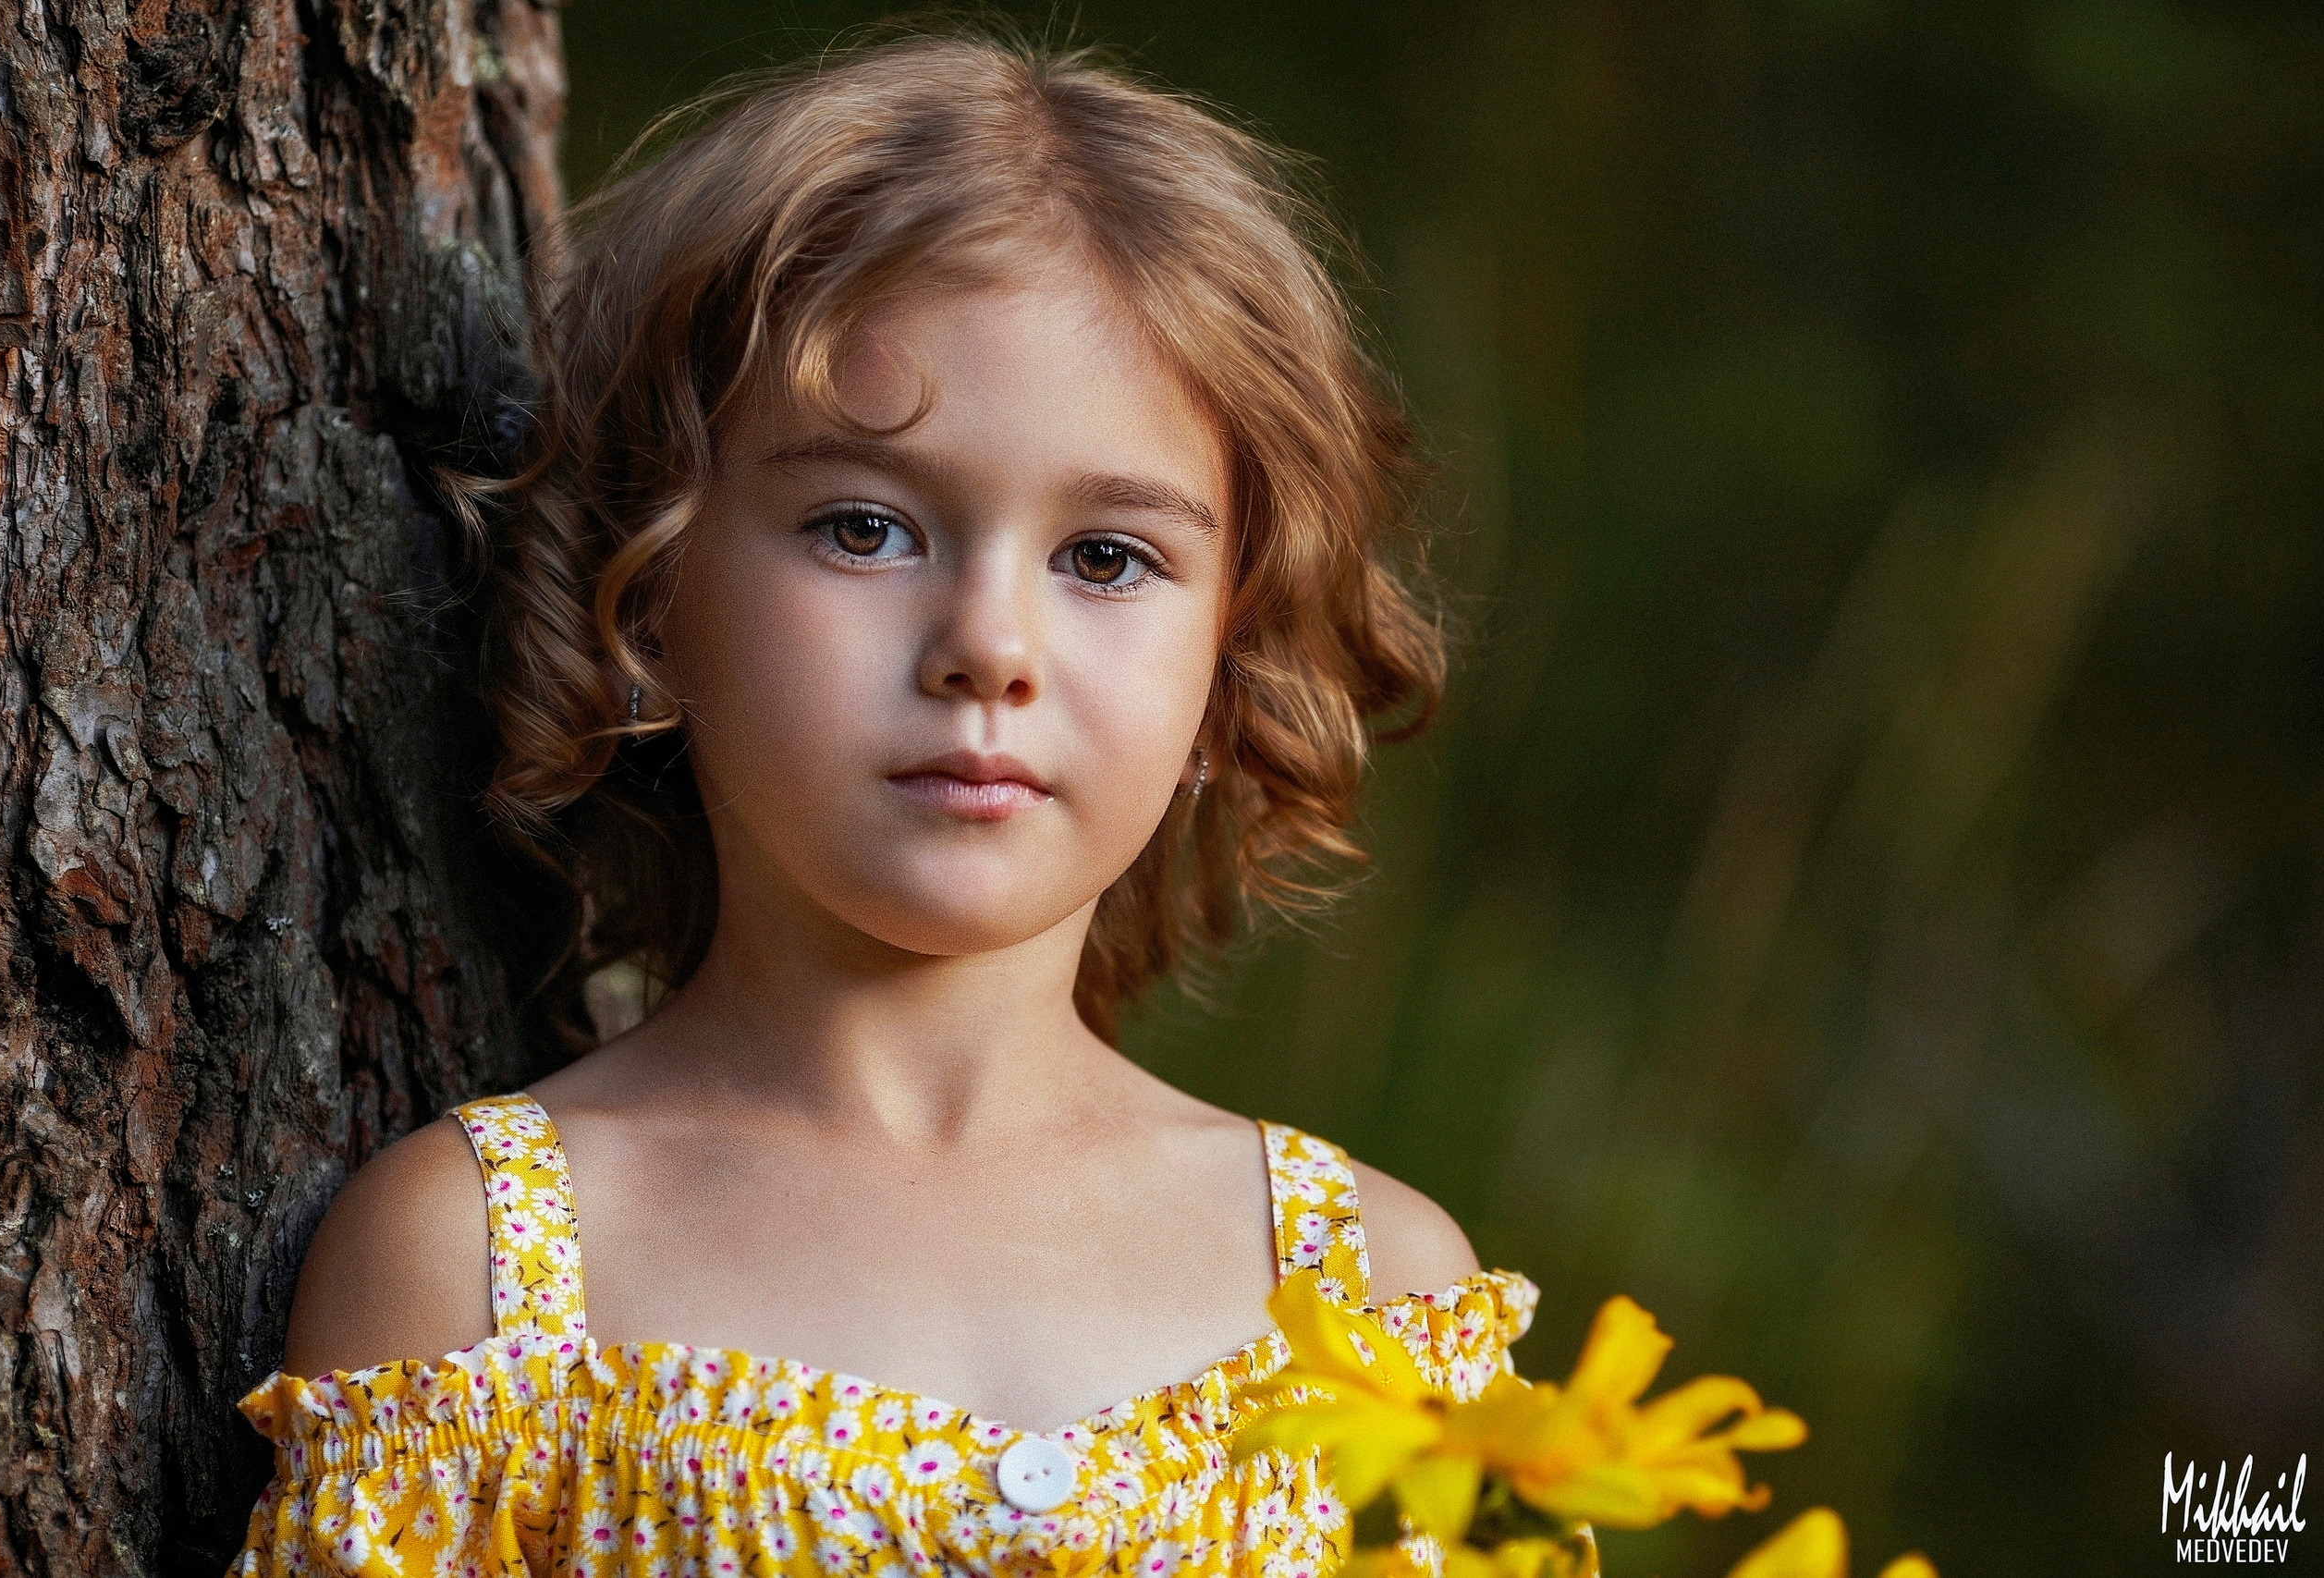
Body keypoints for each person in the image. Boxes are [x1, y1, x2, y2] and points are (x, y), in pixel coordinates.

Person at [231, 30, 1538, 1576]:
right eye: (864, 527)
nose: (990, 644)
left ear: (1228, 659)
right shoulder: (488, 1275)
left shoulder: (1370, 1296)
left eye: (1106, 558)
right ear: (651, 592)